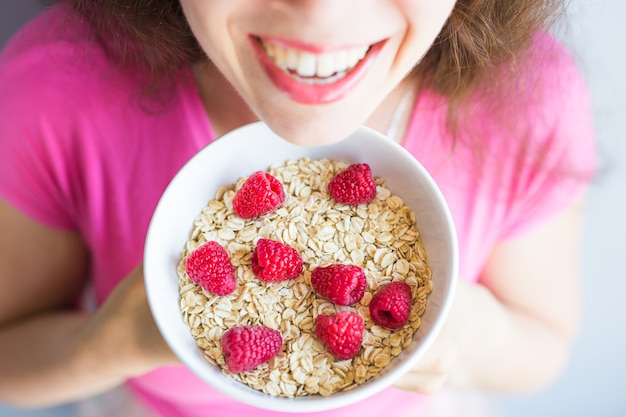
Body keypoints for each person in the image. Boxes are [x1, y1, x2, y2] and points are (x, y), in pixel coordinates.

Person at [0, 0, 597, 416]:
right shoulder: (55, 92)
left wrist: (471, 335)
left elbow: (541, 347)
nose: (323, 13)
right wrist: (116, 342)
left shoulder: (525, 105)